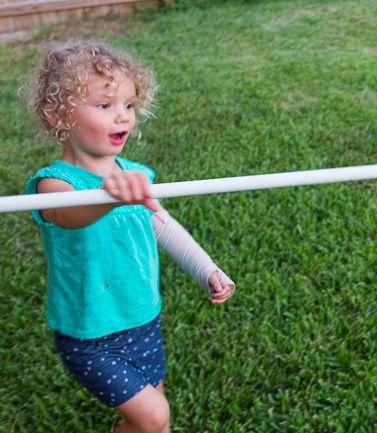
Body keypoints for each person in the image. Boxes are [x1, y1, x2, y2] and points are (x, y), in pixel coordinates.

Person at [24, 40, 235, 433]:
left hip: (142, 318)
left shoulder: (133, 174)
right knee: (154, 417)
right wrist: (111, 197)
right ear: (57, 116)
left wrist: (207, 268)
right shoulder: (54, 184)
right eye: (104, 106)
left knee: (153, 416)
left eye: (128, 105)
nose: (122, 117)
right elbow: (69, 215)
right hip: (90, 334)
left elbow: (161, 225)